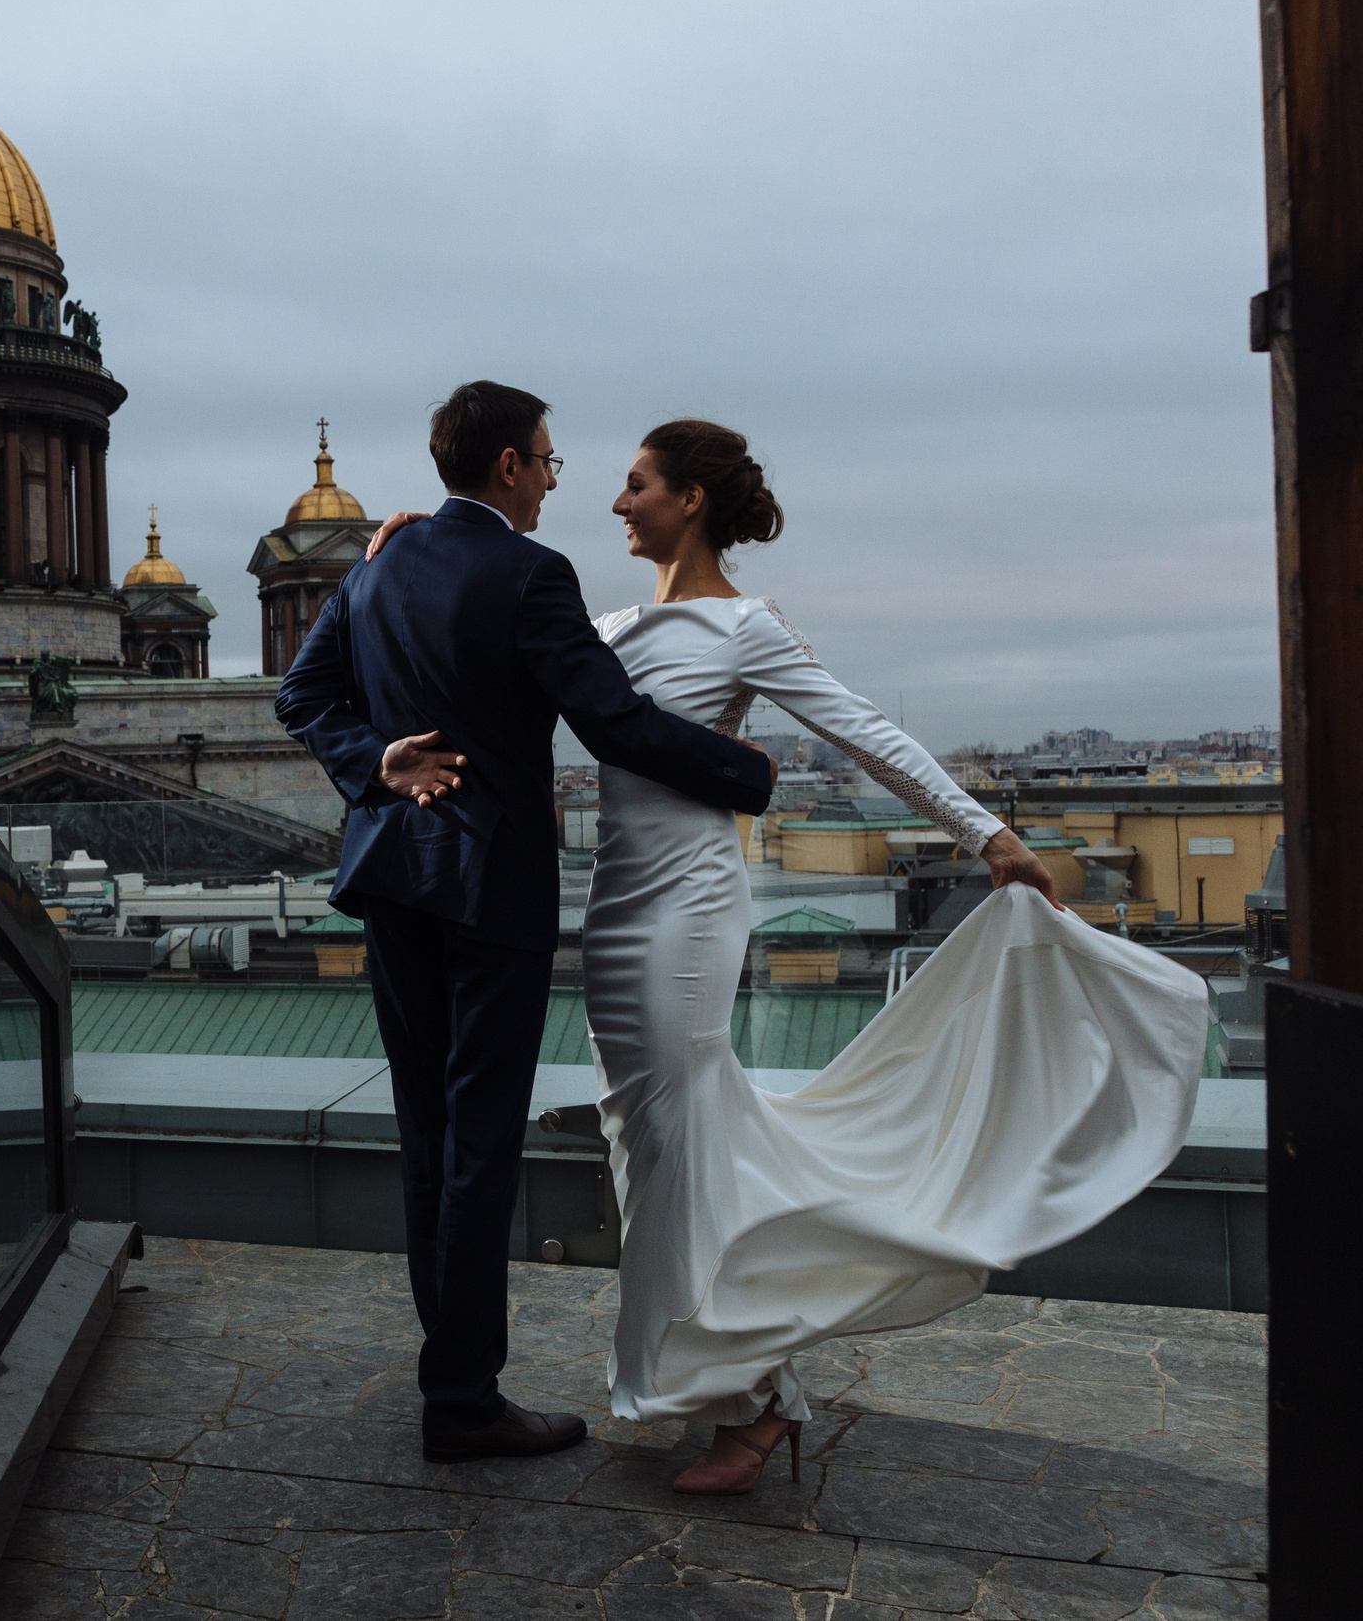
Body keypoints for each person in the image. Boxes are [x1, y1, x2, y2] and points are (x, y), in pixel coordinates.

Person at [362, 417, 1205, 1496]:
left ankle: (754, 1405)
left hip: (689, 908)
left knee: (678, 1142)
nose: (614, 503)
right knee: (650, 1147)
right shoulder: (609, 623)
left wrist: (982, 832)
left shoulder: (743, 629)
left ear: (690, 501)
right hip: (612, 912)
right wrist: (417, 544)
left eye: (634, 485)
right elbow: (487, 656)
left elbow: (865, 732)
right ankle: (737, 1389)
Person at [274, 382, 777, 1463]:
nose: (557, 479)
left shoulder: (379, 560)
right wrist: (746, 770)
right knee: (479, 1149)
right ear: (506, 465)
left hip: (389, 880)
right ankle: (460, 1401)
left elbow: (301, 697)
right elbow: (614, 721)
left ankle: (452, 1379)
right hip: (487, 892)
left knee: (427, 1141)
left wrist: (374, 763)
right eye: (547, 459)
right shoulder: (528, 573)